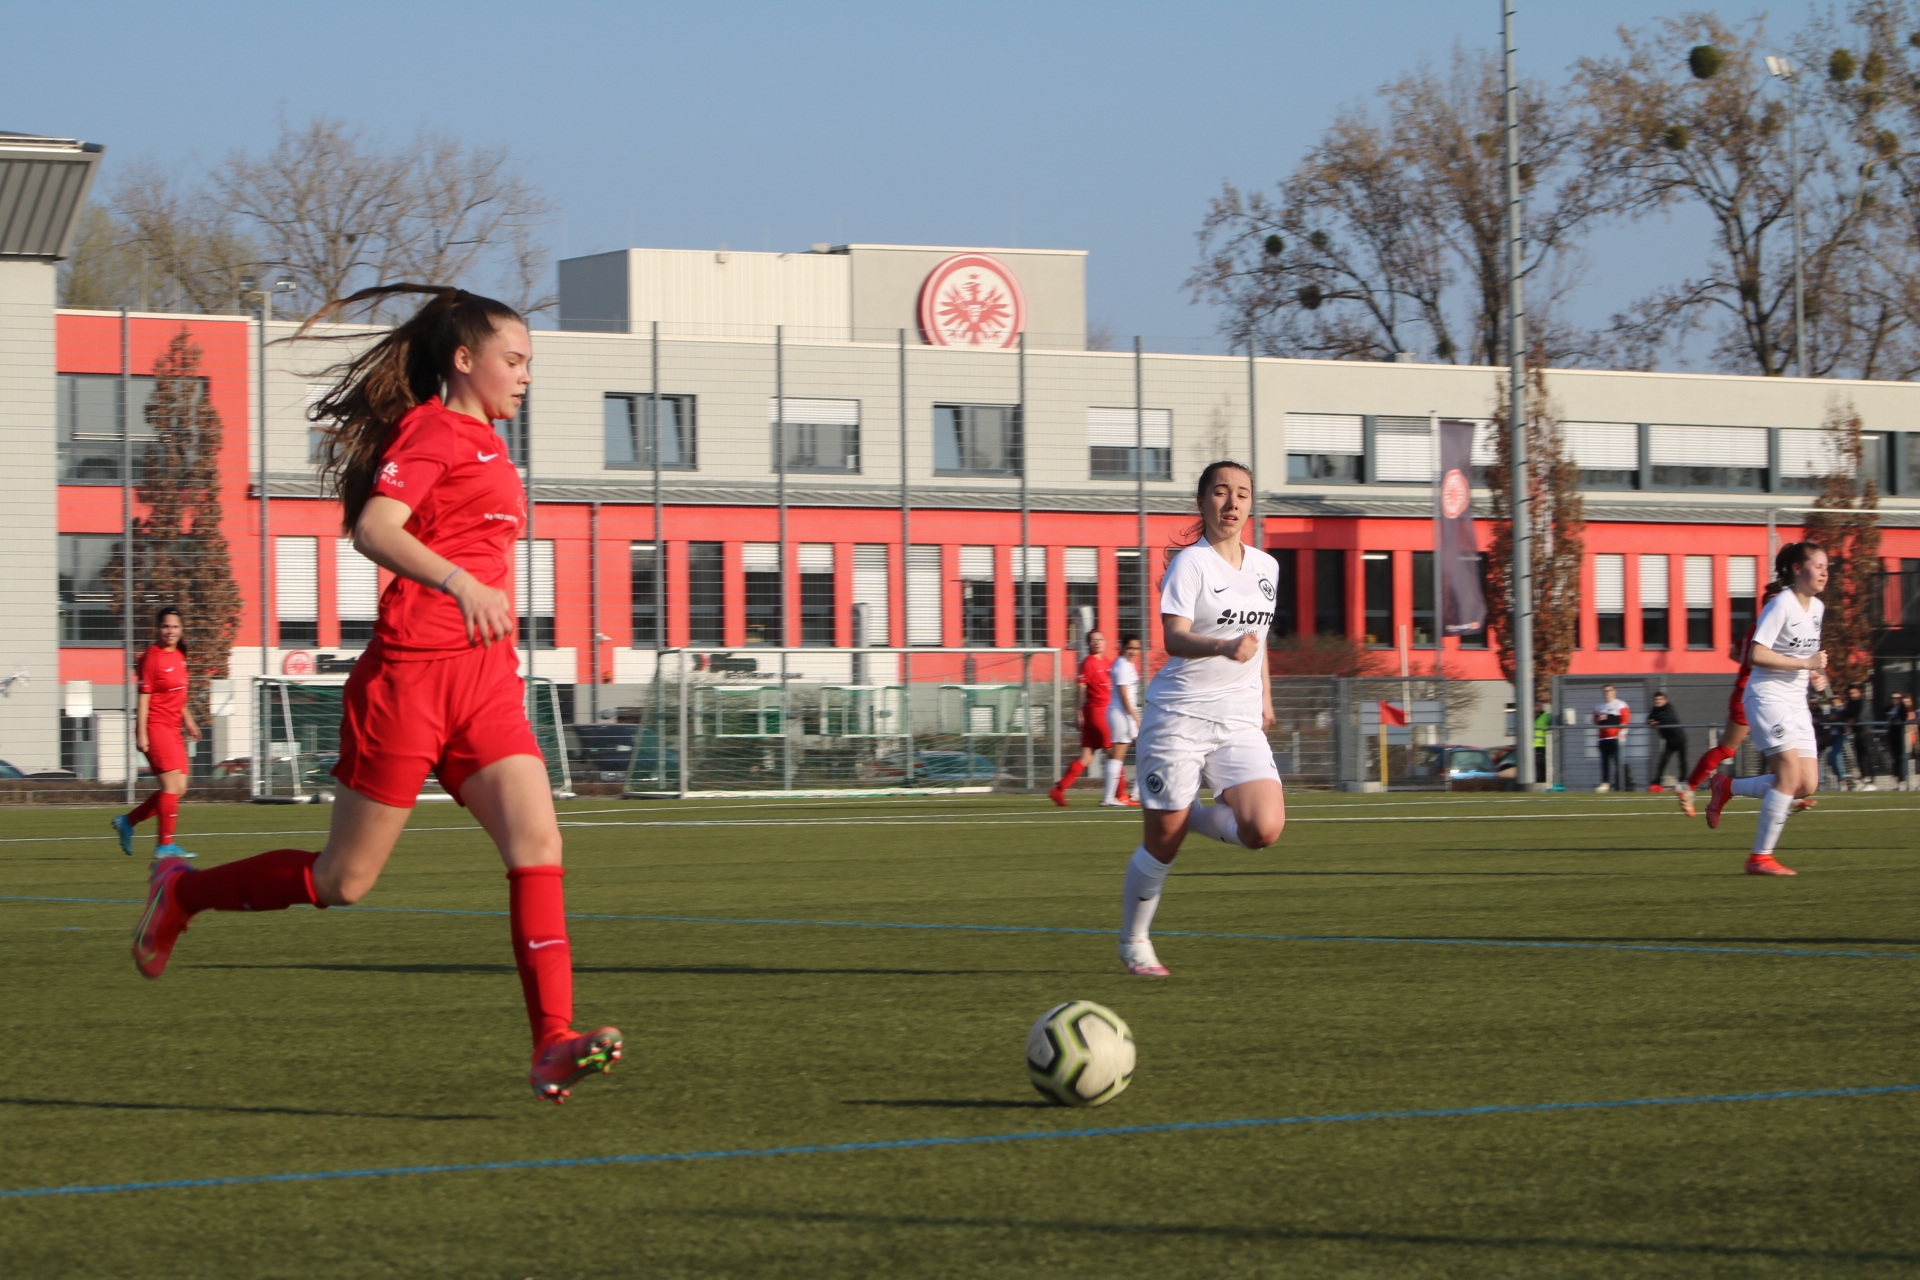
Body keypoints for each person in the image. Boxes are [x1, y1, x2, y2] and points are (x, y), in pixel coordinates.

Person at [130, 284, 622, 1104]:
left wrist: (478, 601)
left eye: (530, 361)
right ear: (464, 361)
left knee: (539, 846)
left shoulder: (494, 449)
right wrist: (461, 582)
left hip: (485, 683)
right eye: (515, 359)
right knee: (343, 880)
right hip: (410, 681)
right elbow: (376, 528)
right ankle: (180, 892)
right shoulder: (432, 429)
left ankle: (551, 1043)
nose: (526, 374)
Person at [1117, 461, 1284, 977]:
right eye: (1220, 492)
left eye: (1242, 494)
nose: (1232, 503)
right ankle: (1134, 939)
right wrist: (1222, 646)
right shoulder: (1190, 564)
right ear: (1202, 501)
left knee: (1264, 828)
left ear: (1252, 503)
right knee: (1161, 845)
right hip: (1178, 718)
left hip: (1237, 721)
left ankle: (1186, 812)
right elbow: (1173, 637)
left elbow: (1260, 642)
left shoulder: (1267, 567)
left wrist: (1265, 697)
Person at [1705, 541, 1831, 875]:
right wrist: (1806, 661)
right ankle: (1760, 857)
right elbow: (1756, 655)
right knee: (1788, 775)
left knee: (1806, 784)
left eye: (1827, 567)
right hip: (1767, 696)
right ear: (1796, 569)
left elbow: (1806, 655)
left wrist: (1816, 672)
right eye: (1817, 565)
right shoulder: (1781, 604)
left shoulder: (1817, 608)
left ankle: (1726, 786)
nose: (1824, 572)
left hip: (1796, 702)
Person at [1677, 582, 1778, 817]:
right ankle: (1784, 795)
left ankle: (1689, 786)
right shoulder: (1770, 628)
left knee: (1728, 749)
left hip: (1743, 691)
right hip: (1758, 694)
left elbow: (1735, 653)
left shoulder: (1755, 625)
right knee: (1779, 748)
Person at [112, 606, 201, 860]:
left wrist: (189, 721)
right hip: (156, 726)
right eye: (165, 626)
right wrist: (140, 733)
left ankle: (128, 821)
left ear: (181, 630)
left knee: (179, 788)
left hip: (173, 728)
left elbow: (177, 694)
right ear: (158, 628)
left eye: (174, 626)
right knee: (172, 787)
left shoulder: (180, 656)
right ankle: (164, 845)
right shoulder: (153, 657)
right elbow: (143, 698)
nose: (170, 631)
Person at [1048, 630, 1113, 806]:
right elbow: (1081, 688)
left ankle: (1059, 789)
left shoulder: (1108, 662)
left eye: (1100, 639)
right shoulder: (1088, 664)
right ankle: (1119, 794)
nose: (1097, 642)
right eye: (1093, 640)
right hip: (1097, 712)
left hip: (1103, 711)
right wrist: (1078, 712)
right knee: (1114, 753)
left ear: (1105, 642)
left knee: (1086, 757)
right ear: (1088, 644)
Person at [1101, 634, 1144, 807]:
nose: (1133, 651)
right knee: (1118, 757)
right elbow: (1125, 696)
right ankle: (1109, 798)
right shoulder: (1121, 665)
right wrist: (1136, 718)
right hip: (1121, 714)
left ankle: (1136, 794)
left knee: (1145, 751)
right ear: (1123, 648)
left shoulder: (1128, 665)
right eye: (1130, 648)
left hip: (1125, 714)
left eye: (1136, 648)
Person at [1646, 691, 1687, 790]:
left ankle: (1683, 780)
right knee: (1663, 761)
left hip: (1679, 739)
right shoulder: (1655, 709)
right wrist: (1650, 721)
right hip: (1669, 741)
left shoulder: (1669, 708)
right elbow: (1649, 718)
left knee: (1682, 761)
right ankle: (1657, 782)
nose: (1658, 701)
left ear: (1665, 700)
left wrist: (1656, 723)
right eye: (1656, 699)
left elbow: (1667, 720)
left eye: (1660, 699)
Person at [1592, 684, 1629, 791]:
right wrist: (1599, 718)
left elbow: (1625, 720)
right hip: (1603, 738)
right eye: (1605, 691)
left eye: (1609, 690)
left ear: (1614, 691)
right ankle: (1605, 783)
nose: (1607, 693)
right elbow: (1595, 721)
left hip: (1615, 738)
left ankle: (1621, 784)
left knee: (1618, 762)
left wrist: (1620, 735)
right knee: (1604, 762)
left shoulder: (1620, 705)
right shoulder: (1599, 707)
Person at [1817, 694, 1851, 790]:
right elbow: (1826, 718)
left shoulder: (1843, 709)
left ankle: (1843, 781)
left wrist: (1832, 715)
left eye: (1836, 699)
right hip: (1833, 737)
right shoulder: (1832, 710)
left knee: (1833, 756)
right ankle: (1841, 782)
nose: (1834, 701)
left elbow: (1836, 717)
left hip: (1841, 736)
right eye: (1833, 699)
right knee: (1835, 759)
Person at [1888, 691, 1916, 790]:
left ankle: (1907, 782)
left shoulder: (1912, 712)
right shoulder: (1894, 710)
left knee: (1909, 760)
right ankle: (1901, 781)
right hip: (1900, 738)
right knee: (1899, 759)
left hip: (1909, 738)